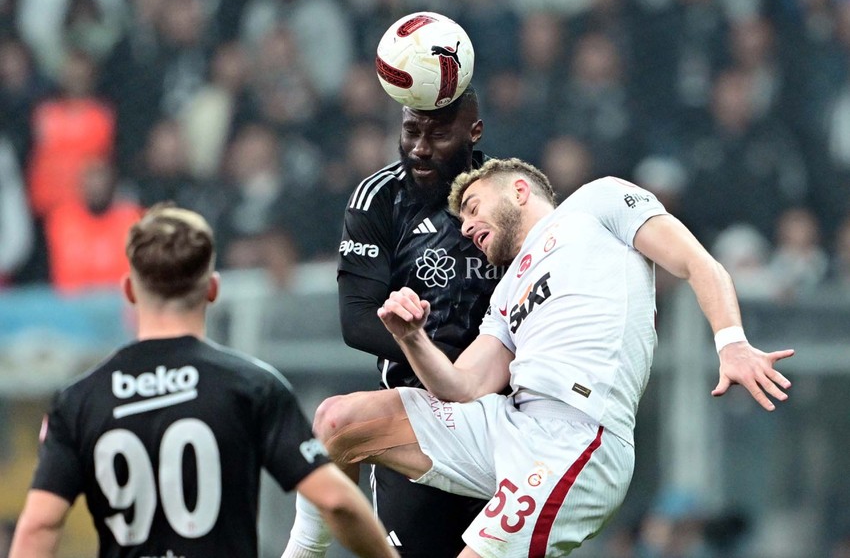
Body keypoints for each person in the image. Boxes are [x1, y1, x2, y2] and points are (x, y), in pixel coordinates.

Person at [290, 157, 794, 557]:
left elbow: (697, 261)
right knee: (337, 420)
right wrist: (411, 337)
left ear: (518, 189)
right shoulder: (507, 290)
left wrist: (730, 341)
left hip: (578, 439)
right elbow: (461, 386)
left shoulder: (596, 203)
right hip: (511, 424)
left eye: (471, 206)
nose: (465, 227)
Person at [8, 203, 398, 558]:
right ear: (212, 288)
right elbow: (338, 503)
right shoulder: (253, 387)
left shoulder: (79, 400)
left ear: (128, 290)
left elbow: (41, 524)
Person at [283, 87, 502, 558]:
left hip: (505, 424)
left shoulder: (507, 198)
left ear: (474, 132)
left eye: (439, 134)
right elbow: (356, 320)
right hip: (416, 418)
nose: (420, 147)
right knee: (333, 420)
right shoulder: (378, 198)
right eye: (411, 131)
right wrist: (441, 364)